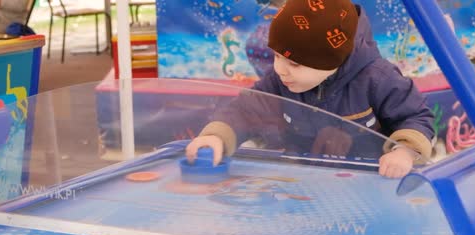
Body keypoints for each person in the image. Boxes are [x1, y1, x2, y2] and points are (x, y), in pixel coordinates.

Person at [186, 0, 435, 178]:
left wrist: (404, 152)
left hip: (368, 178)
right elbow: (244, 110)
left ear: (331, 61)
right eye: (276, 56)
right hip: (302, 177)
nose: (280, 69)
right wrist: (216, 136)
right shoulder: (280, 80)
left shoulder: (377, 79)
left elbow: (415, 117)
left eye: (294, 62)